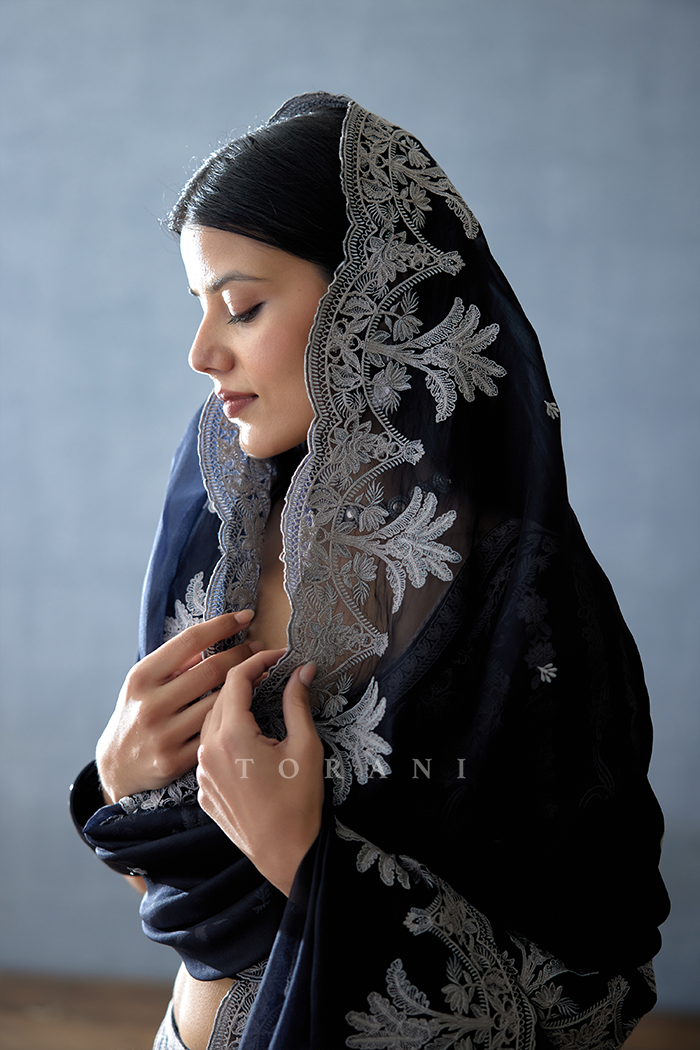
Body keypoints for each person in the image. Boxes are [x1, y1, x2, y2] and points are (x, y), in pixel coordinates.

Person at [70, 92, 669, 1050]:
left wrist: (306, 859)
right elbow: (177, 887)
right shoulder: (221, 520)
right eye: (199, 308)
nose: (202, 352)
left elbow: (586, 986)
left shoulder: (525, 600)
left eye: (242, 306)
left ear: (374, 303)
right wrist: (119, 784)